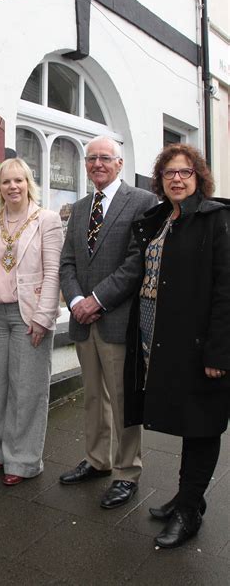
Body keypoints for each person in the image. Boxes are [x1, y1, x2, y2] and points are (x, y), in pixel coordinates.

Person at [124, 143, 229, 548]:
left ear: (198, 177)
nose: (177, 179)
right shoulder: (162, 219)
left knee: (201, 424)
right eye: (170, 174)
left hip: (199, 344)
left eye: (185, 173)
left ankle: (189, 512)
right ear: (161, 181)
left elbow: (226, 290)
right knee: (187, 421)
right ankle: (188, 498)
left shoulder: (215, 220)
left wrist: (219, 352)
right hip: (160, 339)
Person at [59, 136, 155, 508]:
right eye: (91, 159)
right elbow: (67, 261)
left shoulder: (143, 202)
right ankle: (97, 460)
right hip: (85, 321)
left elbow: (137, 262)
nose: (97, 163)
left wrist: (97, 299)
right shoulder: (80, 208)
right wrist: (77, 300)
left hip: (119, 320)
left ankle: (126, 471)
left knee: (123, 399)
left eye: (104, 158)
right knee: (93, 397)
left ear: (119, 162)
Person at [0, 158, 63, 485]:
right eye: (6, 182)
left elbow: (54, 272)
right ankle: (1, 449)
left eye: (18, 181)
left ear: (28, 183)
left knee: (28, 389)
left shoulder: (47, 220)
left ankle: (23, 460)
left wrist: (43, 317)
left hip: (30, 315)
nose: (12, 187)